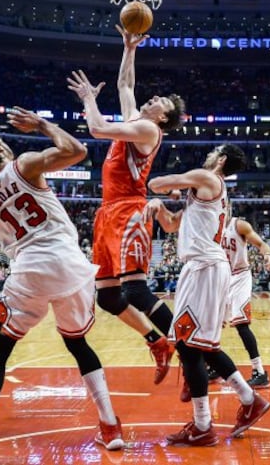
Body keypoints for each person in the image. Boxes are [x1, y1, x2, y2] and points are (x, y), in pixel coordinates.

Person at [0, 107, 124, 465]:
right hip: (68, 264)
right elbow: (77, 151)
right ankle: (110, 426)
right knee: (78, 343)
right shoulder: (24, 163)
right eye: (1, 141)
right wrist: (42, 124)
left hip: (28, 270)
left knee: (0, 351)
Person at [67, 26, 185, 385]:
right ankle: (157, 342)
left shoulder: (149, 131)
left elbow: (99, 129)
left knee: (135, 289)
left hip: (130, 209)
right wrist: (129, 49)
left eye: (159, 103)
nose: (152, 100)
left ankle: (194, 348)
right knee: (107, 296)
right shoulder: (138, 121)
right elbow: (125, 87)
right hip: (108, 211)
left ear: (163, 118)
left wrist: (88, 99)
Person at [143, 143, 270, 446]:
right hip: (204, 268)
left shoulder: (207, 178)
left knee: (188, 346)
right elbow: (172, 226)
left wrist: (170, 189)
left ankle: (203, 425)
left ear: (221, 159)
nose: (209, 154)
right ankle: (249, 399)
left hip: (204, 268)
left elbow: (154, 183)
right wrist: (161, 206)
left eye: (214, 151)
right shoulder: (205, 189)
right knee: (203, 347)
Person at [221, 211, 270, 388]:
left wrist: (266, 256)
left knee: (241, 324)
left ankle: (259, 371)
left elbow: (261, 244)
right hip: (221, 278)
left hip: (240, 277)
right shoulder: (210, 227)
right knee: (213, 324)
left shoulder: (239, 225)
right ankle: (214, 366)